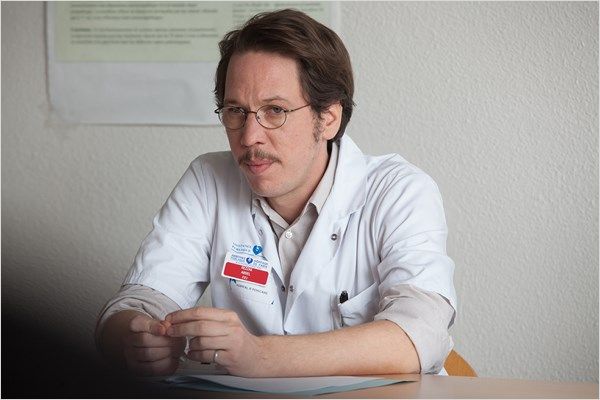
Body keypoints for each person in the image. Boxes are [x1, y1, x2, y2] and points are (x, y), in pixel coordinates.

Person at [96, 9, 456, 378]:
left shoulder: (399, 191)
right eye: (236, 111)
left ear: (328, 118)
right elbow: (136, 304)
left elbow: (420, 335)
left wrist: (260, 356)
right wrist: (136, 340)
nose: (249, 137)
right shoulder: (208, 180)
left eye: (275, 111)